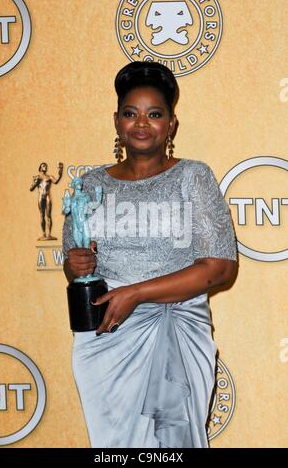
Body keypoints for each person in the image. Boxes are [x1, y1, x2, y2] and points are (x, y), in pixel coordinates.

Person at [62, 61, 238, 448]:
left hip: (175, 331)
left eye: (154, 114)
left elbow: (219, 268)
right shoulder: (89, 185)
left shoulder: (193, 177)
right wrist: (74, 265)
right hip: (105, 340)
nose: (141, 123)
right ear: (116, 121)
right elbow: (74, 264)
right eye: (131, 113)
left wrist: (137, 293)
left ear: (171, 124)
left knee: (173, 444)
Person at [30, 162, 63, 240]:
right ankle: (43, 234)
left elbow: (56, 181)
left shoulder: (49, 177)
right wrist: (35, 182)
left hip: (48, 196)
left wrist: (60, 172)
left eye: (46, 166)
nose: (45, 167)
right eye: (43, 166)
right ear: (40, 168)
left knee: (48, 215)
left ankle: (49, 234)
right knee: (42, 215)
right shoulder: (37, 177)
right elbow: (31, 188)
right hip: (41, 197)